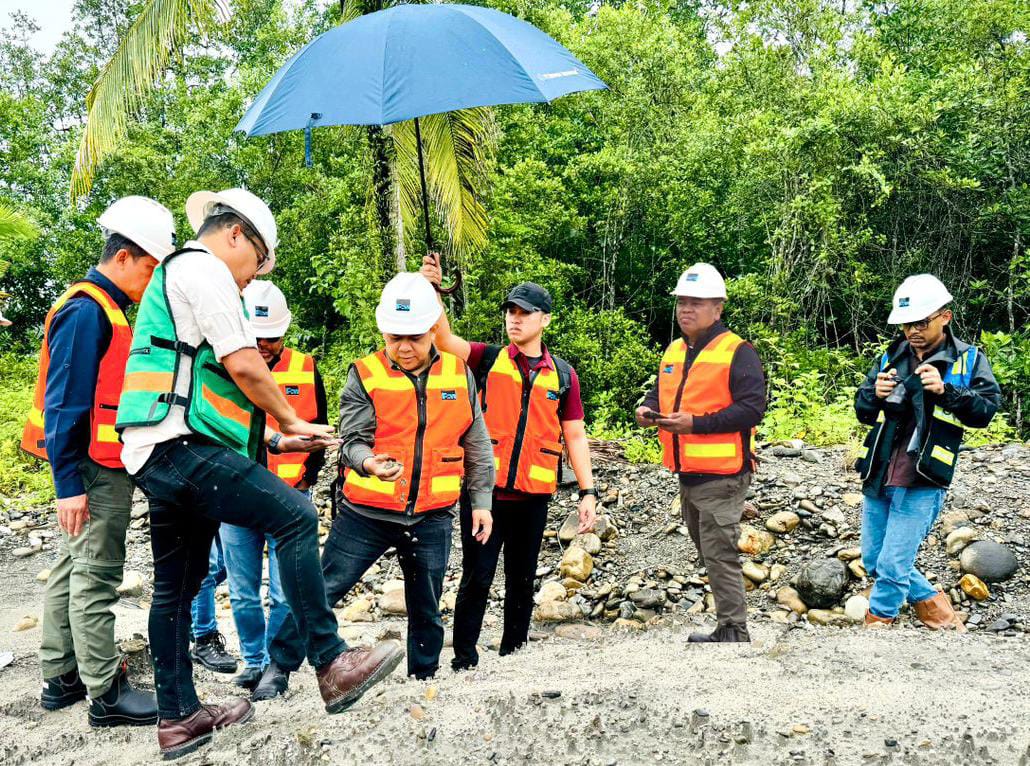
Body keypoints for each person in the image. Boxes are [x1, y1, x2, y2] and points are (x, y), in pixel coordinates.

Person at [115, 188, 403, 760]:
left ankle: (179, 718)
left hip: (158, 447)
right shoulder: (204, 268)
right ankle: (331, 662)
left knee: (177, 584)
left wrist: (276, 438)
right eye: (256, 263)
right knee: (295, 515)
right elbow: (243, 363)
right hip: (180, 449)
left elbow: (201, 391)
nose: (251, 279)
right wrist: (291, 416)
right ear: (235, 235)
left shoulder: (177, 276)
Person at [266, 272, 495, 690]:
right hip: (366, 513)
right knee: (323, 589)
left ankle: (423, 676)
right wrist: (369, 463)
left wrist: (481, 501)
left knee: (426, 605)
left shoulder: (459, 374)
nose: (403, 347)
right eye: (394, 337)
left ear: (432, 330)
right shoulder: (364, 373)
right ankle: (278, 667)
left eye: (414, 337)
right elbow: (352, 442)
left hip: (432, 514)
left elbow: (476, 442)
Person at [22, 196, 174, 727]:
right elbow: (65, 404)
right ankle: (106, 693)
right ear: (124, 256)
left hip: (92, 462)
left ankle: (62, 675)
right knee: (97, 576)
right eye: (151, 268)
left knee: (71, 566)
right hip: (91, 467)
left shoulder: (103, 308)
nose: (152, 281)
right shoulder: (88, 311)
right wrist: (68, 484)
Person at [420, 256, 597, 670]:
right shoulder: (487, 358)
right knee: (477, 576)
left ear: (544, 319)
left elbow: (574, 435)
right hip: (486, 494)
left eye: (524, 313)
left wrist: (588, 492)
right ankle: (464, 658)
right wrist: (432, 289)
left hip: (533, 498)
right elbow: (442, 338)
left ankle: (513, 654)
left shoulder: (564, 376)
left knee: (522, 578)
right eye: (510, 312)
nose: (514, 319)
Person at [854, 274, 1000, 630]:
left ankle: (878, 624)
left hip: (925, 473)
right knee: (873, 559)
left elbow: (985, 412)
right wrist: (874, 394)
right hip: (881, 465)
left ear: (945, 317)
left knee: (893, 563)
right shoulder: (890, 356)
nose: (912, 331)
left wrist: (946, 391)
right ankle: (936, 608)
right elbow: (862, 410)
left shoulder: (968, 359)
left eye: (920, 322)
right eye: (906, 324)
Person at [636, 263, 766, 643]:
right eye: (682, 303)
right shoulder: (675, 350)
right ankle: (730, 624)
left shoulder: (737, 351)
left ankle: (733, 630)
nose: (686, 310)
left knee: (719, 551)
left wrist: (696, 424)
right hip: (689, 472)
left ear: (718, 308)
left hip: (723, 474)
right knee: (709, 550)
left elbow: (752, 409)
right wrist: (647, 409)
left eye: (696, 303)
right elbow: (660, 393)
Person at [239, 279, 327, 697]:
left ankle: (276, 667)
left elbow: (319, 425)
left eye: (270, 337)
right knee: (243, 591)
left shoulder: (306, 367)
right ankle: (252, 662)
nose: (263, 346)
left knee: (283, 589)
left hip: (288, 493)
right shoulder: (224, 364)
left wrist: (309, 475)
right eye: (256, 337)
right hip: (236, 494)